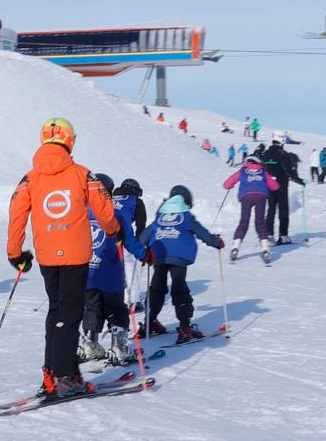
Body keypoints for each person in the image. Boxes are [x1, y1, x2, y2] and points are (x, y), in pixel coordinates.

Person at [6, 117, 118, 400]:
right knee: (69, 314)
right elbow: (104, 210)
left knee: (56, 311)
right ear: (70, 140)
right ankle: (66, 378)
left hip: (47, 255)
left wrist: (15, 253)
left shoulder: (30, 177)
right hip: (75, 253)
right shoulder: (82, 174)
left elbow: (17, 213)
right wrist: (114, 231)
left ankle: (52, 373)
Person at [137, 185, 224, 341]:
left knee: (157, 289)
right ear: (186, 201)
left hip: (159, 255)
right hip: (179, 257)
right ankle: (185, 327)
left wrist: (143, 250)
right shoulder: (187, 217)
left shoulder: (159, 217)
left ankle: (149, 323)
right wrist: (216, 242)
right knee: (179, 289)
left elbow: (143, 237)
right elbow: (202, 233)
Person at [79, 173, 148, 365]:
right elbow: (131, 240)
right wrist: (145, 254)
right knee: (117, 308)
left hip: (88, 269)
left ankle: (89, 344)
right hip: (110, 271)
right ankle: (119, 348)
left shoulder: (83, 211)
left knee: (92, 306)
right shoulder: (115, 211)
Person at [223, 152, 278, 261]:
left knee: (244, 222)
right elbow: (275, 187)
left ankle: (235, 247)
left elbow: (226, 184)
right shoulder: (263, 172)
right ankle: (265, 248)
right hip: (261, 196)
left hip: (246, 196)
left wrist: (232, 185)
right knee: (260, 222)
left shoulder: (242, 170)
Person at [258, 137, 299, 244]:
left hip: (269, 185)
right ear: (281, 141)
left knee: (271, 209)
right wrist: (299, 180)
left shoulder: (266, 153)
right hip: (282, 185)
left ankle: (269, 234)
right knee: (283, 209)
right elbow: (289, 170)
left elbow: (261, 166)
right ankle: (283, 235)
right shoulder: (283, 154)